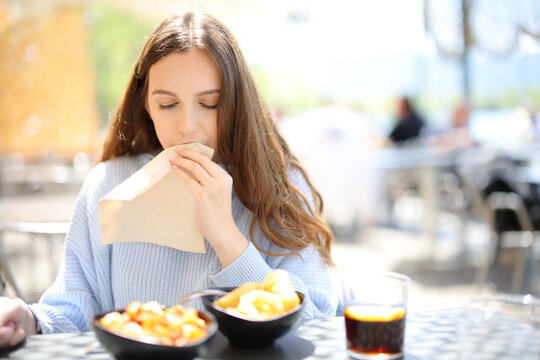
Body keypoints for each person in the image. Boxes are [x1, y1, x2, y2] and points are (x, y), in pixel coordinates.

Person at [0, 10, 338, 347]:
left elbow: (316, 325)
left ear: (236, 104)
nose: (187, 126)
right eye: (167, 105)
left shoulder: (279, 185)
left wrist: (225, 235)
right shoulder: (108, 183)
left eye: (209, 103)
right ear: (146, 104)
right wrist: (28, 320)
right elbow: (74, 310)